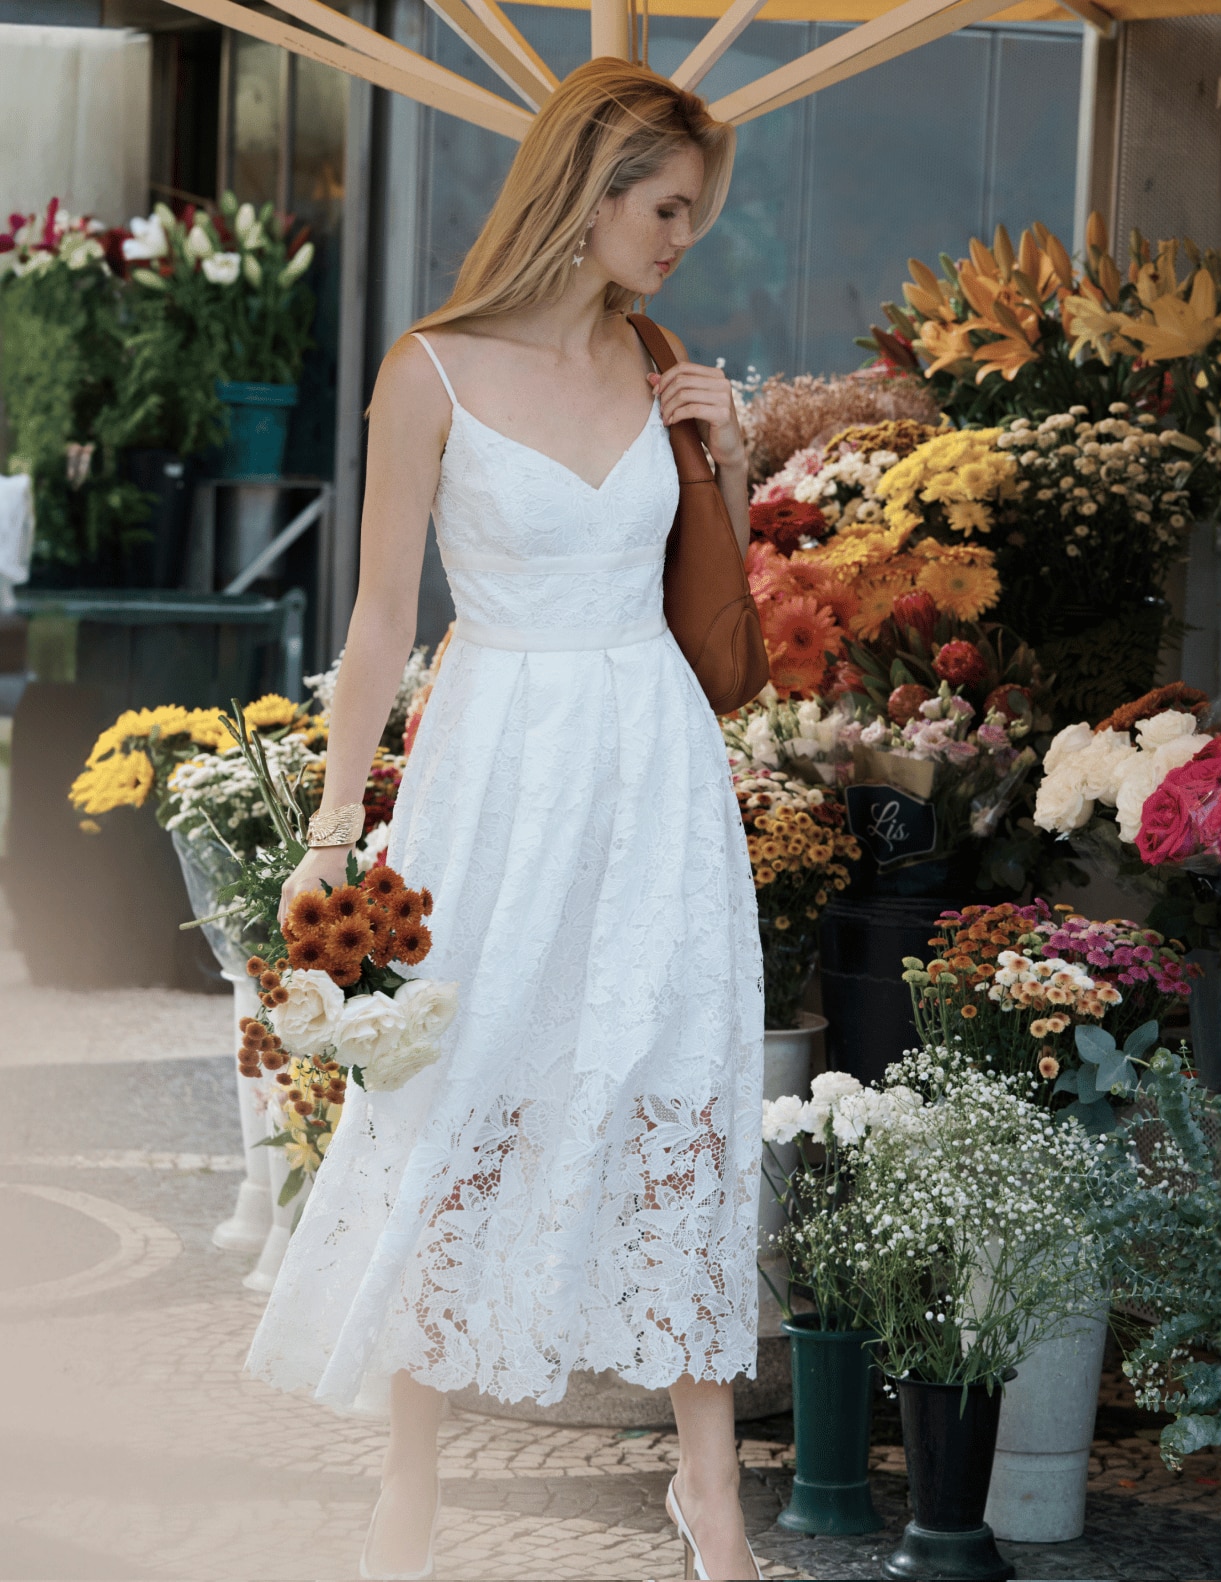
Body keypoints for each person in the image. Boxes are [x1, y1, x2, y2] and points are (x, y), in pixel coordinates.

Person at [245, 57, 764, 1582]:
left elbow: (713, 615)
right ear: (589, 191)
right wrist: (338, 830)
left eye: (692, 214)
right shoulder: (432, 369)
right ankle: (406, 1486)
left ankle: (709, 1495)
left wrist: (725, 456)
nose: (681, 239)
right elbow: (379, 616)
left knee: (679, 1090)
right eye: (665, 208)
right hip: (494, 761)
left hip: (652, 768)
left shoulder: (658, 359)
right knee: (448, 1102)